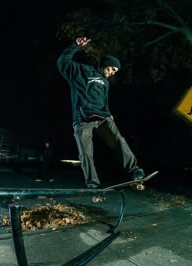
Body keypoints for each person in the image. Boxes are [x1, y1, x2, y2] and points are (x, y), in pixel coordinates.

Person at [57, 36, 145, 188]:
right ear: (105, 65)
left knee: (119, 141)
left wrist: (108, 113)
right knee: (86, 153)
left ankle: (134, 170)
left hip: (102, 117)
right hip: (83, 119)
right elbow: (62, 63)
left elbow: (103, 101)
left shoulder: (105, 82)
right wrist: (74, 46)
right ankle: (93, 184)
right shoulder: (82, 71)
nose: (112, 73)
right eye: (111, 69)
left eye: (115, 71)